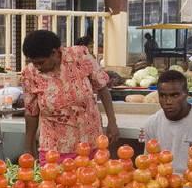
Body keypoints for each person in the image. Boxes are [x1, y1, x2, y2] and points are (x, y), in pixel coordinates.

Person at [21, 30, 119, 163]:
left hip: (90, 140)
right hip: (54, 148)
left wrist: (112, 122)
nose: (37, 67)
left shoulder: (80, 56)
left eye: (41, 62)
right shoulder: (30, 73)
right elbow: (31, 113)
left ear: (54, 53)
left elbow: (102, 88)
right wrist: (28, 147)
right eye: (33, 63)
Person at [143, 70, 192, 171]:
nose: (168, 102)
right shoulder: (151, 124)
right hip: (162, 183)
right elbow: (147, 165)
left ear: (186, 94)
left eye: (175, 95)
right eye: (163, 96)